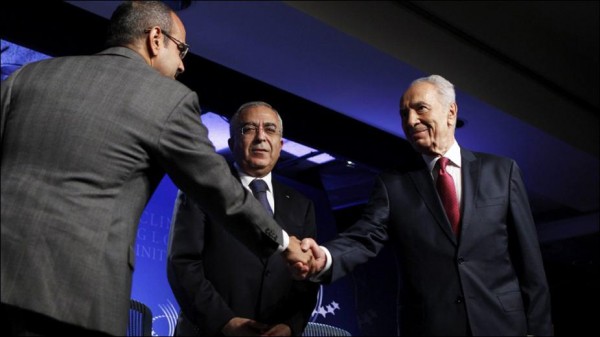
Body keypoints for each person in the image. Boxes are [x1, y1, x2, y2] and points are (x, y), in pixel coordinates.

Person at [0, 2, 312, 335]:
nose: (181, 66)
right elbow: (220, 190)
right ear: (155, 39)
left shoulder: (25, 76)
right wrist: (284, 243)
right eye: (182, 50)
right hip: (72, 299)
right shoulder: (167, 98)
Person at [298, 74, 553, 336]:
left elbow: (530, 264)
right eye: (404, 114)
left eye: (420, 108)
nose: (410, 121)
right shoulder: (394, 185)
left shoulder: (502, 172)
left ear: (450, 112)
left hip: (503, 327)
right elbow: (363, 238)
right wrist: (326, 257)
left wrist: (540, 330)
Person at [167, 101, 320, 336]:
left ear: (280, 144)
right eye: (248, 129)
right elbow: (183, 264)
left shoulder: (302, 206)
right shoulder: (203, 189)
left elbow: (308, 276)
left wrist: (291, 325)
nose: (260, 137)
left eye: (270, 129)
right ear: (232, 143)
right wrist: (224, 322)